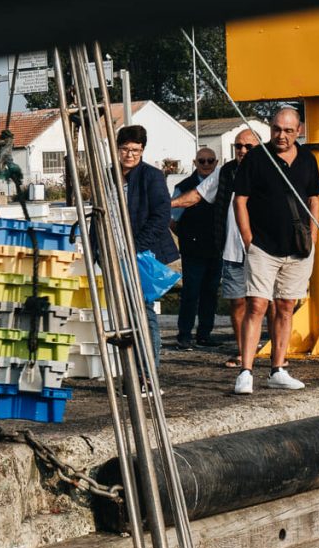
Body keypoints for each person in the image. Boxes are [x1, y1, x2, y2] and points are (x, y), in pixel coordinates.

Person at [233, 108, 319, 394]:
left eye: (287, 130)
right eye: (276, 129)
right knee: (257, 305)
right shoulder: (256, 158)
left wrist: (314, 235)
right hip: (263, 245)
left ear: (299, 131)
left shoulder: (308, 159)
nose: (281, 135)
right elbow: (240, 200)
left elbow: (314, 199)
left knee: (286, 306)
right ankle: (245, 371)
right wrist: (248, 238)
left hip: (298, 247)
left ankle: (278, 368)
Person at [172, 129, 276, 368]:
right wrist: (163, 204)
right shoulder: (225, 172)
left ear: (259, 147)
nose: (242, 151)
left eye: (248, 147)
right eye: (238, 146)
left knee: (267, 303)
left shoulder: (270, 169)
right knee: (237, 302)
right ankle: (242, 352)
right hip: (232, 251)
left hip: (265, 249)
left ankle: (275, 351)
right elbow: (195, 196)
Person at [117, 125, 178, 367]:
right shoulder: (109, 175)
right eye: (125, 149)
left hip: (144, 252)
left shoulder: (151, 176)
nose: (130, 155)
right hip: (116, 250)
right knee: (124, 310)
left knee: (143, 308)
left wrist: (136, 246)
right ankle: (131, 367)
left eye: (136, 150)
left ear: (142, 151)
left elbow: (161, 215)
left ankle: (147, 368)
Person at [171, 148, 222, 349]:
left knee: (211, 292)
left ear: (216, 162)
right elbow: (173, 219)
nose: (206, 164)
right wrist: (185, 236)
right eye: (202, 161)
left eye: (210, 161)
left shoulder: (221, 186)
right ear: (195, 162)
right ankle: (184, 334)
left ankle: (205, 333)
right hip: (192, 248)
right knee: (191, 292)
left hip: (215, 248)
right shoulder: (183, 187)